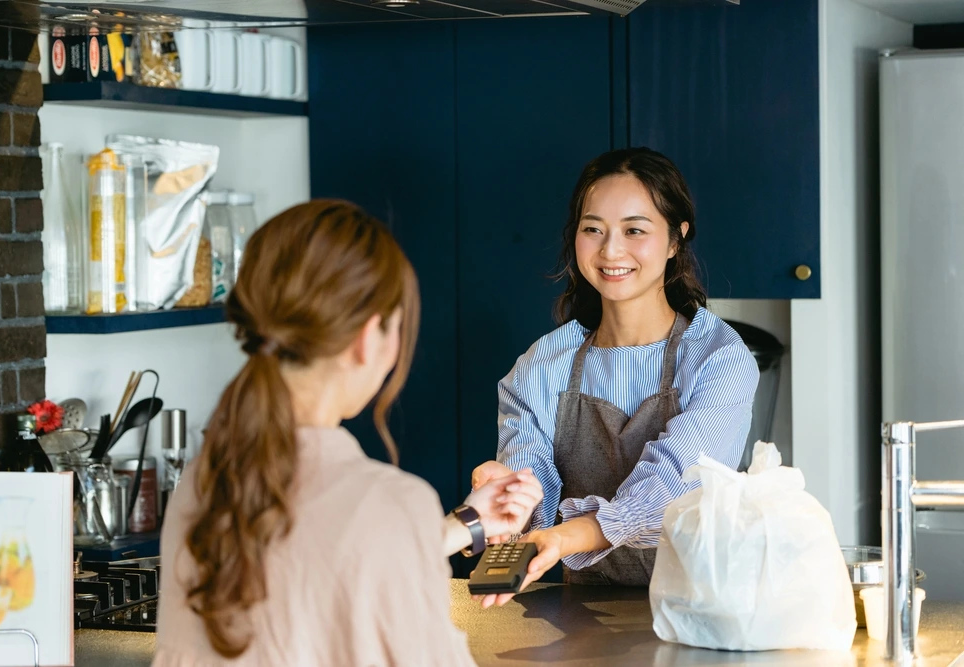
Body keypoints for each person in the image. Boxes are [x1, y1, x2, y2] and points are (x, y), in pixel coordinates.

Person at [153, 200, 543, 666]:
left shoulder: (201, 484)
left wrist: (468, 523)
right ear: (366, 336)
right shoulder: (390, 502)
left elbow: (314, 563)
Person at [472, 147, 759, 603]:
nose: (610, 251)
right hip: (582, 614)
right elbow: (536, 490)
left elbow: (674, 487)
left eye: (634, 230)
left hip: (703, 610)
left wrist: (569, 537)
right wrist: (514, 496)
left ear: (675, 240)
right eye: (593, 230)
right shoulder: (541, 366)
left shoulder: (718, 357)